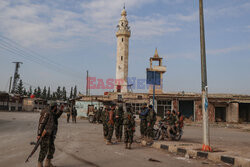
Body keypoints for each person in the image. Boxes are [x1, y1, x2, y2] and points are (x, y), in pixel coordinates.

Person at [37, 102, 64, 167]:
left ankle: (47, 164)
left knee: (51, 149)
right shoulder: (47, 113)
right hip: (45, 134)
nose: (57, 108)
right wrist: (39, 134)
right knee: (43, 150)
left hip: (51, 134)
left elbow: (56, 116)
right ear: (54, 107)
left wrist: (61, 110)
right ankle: (39, 165)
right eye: (56, 107)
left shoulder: (52, 112)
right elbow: (41, 124)